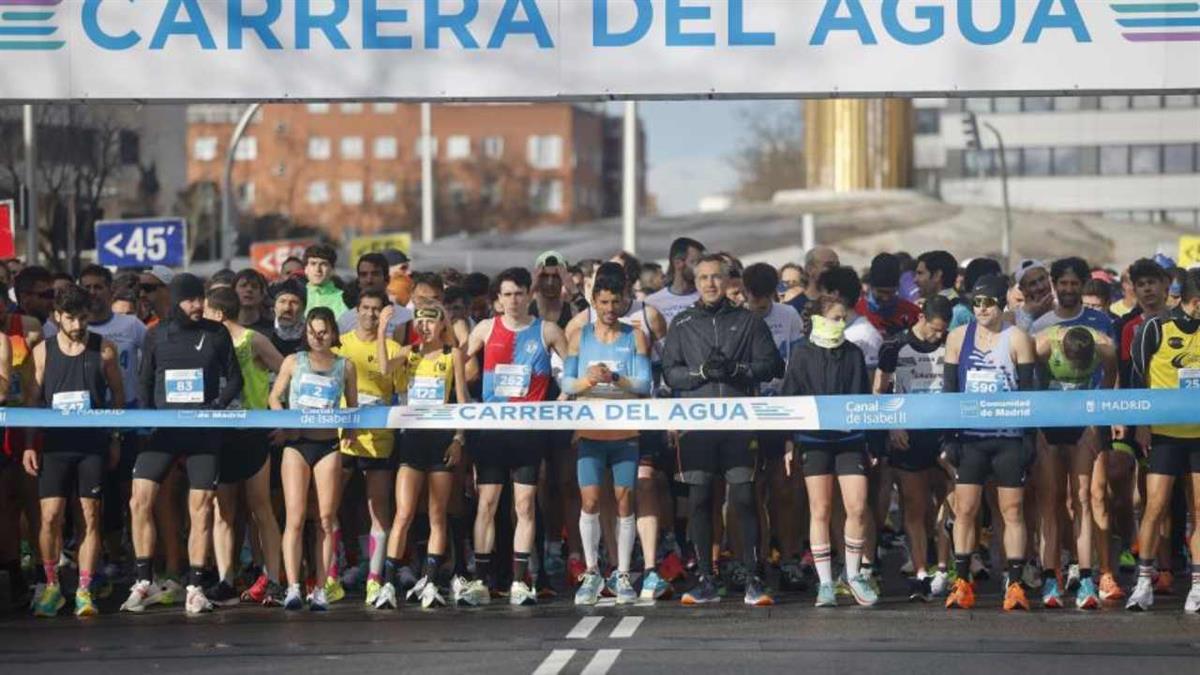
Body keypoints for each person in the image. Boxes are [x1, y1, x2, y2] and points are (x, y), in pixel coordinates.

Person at [662, 254, 784, 606]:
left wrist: (737, 370)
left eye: (716, 277)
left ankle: (753, 577)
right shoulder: (683, 322)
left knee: (744, 499)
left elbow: (772, 366)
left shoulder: (747, 320)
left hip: (739, 423)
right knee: (700, 500)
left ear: (728, 281)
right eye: (703, 278)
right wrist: (700, 373)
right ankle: (705, 578)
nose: (710, 284)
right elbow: (670, 372)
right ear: (695, 282)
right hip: (697, 426)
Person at [122, 274, 243, 615]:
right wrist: (147, 423)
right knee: (138, 500)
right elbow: (144, 383)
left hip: (203, 431)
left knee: (201, 507)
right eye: (191, 300)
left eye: (201, 298)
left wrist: (216, 408)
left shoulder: (216, 333)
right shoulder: (155, 334)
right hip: (164, 431)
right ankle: (144, 581)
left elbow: (235, 379)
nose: (198, 305)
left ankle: (194, 586)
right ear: (176, 302)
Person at [461, 268, 569, 606]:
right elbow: (455, 359)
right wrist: (466, 404)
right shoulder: (485, 328)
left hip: (529, 432)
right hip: (492, 431)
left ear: (528, 294)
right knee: (487, 504)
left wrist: (559, 403)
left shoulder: (547, 330)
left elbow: (574, 370)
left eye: (519, 293)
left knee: (524, 506)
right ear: (497, 299)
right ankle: (480, 580)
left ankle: (522, 582)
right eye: (506, 294)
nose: (513, 300)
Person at [24, 284, 123, 617]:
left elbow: (119, 399)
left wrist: (114, 439)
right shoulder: (42, 351)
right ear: (57, 317)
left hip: (91, 445)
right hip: (55, 445)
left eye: (83, 318)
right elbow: (31, 402)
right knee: (50, 516)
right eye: (71, 318)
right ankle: (52, 585)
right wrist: (28, 445)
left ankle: (83, 588)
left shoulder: (104, 350)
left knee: (89, 517)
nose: (79, 325)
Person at [942, 274, 1037, 611]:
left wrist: (1028, 439)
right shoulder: (957, 337)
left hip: (1008, 437)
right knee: (965, 509)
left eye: (989, 302)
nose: (982, 309)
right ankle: (962, 580)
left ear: (1002, 304)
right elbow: (949, 391)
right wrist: (948, 437)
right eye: (977, 303)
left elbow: (1029, 393)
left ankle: (1014, 583)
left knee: (1012, 511)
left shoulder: (1018, 339)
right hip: (971, 437)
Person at [562, 264, 653, 606]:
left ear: (625, 300)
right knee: (589, 501)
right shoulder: (578, 336)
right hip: (590, 431)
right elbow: (566, 384)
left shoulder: (635, 336)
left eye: (616, 302)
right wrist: (588, 381)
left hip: (625, 431)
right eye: (604, 303)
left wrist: (615, 378)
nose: (610, 309)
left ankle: (624, 572)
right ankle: (591, 571)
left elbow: (645, 384)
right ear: (593, 302)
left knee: (625, 499)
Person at [783, 294, 879, 607]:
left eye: (844, 318)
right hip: (813, 440)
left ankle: (854, 576)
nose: (841, 323)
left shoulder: (852, 352)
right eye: (836, 318)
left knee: (857, 506)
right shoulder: (800, 353)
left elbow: (865, 398)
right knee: (820, 509)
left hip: (850, 440)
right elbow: (789, 398)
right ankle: (825, 583)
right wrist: (788, 441)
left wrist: (872, 442)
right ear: (820, 319)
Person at [376, 304, 470, 609]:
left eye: (431, 322)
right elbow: (383, 368)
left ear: (442, 325)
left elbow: (461, 400)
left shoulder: (450, 354)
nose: (425, 327)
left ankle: (430, 580)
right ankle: (386, 582)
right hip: (413, 440)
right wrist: (381, 331)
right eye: (420, 322)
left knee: (437, 514)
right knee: (403, 513)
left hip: (441, 439)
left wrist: (458, 438)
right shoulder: (409, 351)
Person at [201, 288, 286, 607]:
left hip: (253, 430)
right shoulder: (209, 341)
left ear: (219, 314)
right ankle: (225, 578)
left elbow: (287, 371)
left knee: (260, 508)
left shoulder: (252, 340)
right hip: (220, 433)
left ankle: (275, 580)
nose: (201, 315)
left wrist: (282, 418)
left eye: (206, 311)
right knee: (223, 511)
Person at [269, 307, 358, 611]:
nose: (317, 338)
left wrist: (351, 432)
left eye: (323, 332)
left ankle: (320, 587)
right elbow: (274, 397)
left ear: (333, 333)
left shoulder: (345, 366)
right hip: (297, 445)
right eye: (311, 332)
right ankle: (294, 586)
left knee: (325, 519)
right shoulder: (294, 361)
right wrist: (283, 423)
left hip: (328, 445)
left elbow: (353, 406)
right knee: (294, 517)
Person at [1127, 268, 1200, 612]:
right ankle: (1144, 580)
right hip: (1165, 433)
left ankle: (1197, 586)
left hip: (1199, 434)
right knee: (1155, 507)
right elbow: (1137, 376)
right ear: (1194, 301)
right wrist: (1141, 423)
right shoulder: (1155, 327)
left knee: (1199, 510)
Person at [875, 295, 955, 602]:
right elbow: (879, 390)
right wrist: (892, 425)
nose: (938, 336)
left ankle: (946, 569)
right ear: (921, 317)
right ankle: (921, 573)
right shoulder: (894, 346)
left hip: (943, 436)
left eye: (943, 331)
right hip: (908, 436)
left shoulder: (950, 346)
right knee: (914, 508)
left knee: (949, 507)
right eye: (935, 329)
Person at [335, 290, 403, 608]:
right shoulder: (341, 344)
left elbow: (397, 385)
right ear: (356, 310)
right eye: (366, 308)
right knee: (327, 508)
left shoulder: (392, 348)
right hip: (344, 437)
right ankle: (330, 574)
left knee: (380, 508)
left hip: (379, 440)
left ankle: (375, 579)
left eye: (378, 310)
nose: (371, 315)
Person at [741, 263, 807, 591]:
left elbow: (797, 365)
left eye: (767, 301)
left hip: (783, 412)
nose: (761, 306)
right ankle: (755, 557)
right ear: (745, 294)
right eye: (755, 301)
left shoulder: (789, 317)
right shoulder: (737, 317)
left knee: (786, 489)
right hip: (748, 416)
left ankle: (791, 557)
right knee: (751, 491)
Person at [337, 253, 412, 341]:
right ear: (359, 282)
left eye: (375, 274)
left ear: (387, 279)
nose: (369, 280)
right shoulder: (346, 320)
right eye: (364, 275)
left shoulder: (406, 317)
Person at [857, 253, 921, 336]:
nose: (886, 298)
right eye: (881, 292)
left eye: (891, 292)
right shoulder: (856, 313)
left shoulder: (913, 313)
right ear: (871, 287)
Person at [645, 237, 705, 325]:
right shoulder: (652, 302)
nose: (702, 269)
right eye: (697, 263)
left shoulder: (706, 299)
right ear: (678, 263)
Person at [915, 250, 973, 330]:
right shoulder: (923, 306)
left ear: (937, 275)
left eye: (920, 273)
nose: (915, 279)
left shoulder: (959, 312)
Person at [786, 246, 839, 317]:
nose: (836, 270)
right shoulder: (792, 309)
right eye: (829, 266)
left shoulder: (844, 304)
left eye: (837, 266)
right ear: (810, 269)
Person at [303, 244, 348, 316]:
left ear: (332, 270)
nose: (318, 269)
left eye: (323, 264)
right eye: (313, 264)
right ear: (305, 269)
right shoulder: (297, 296)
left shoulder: (344, 298)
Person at [268, 278, 307, 356]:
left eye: (294, 303)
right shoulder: (263, 333)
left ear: (303, 308)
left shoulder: (309, 336)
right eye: (282, 301)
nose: (287, 308)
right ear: (274, 306)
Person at [233, 269, 274, 336]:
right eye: (243, 285)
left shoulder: (273, 330)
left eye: (254, 286)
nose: (249, 289)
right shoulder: (225, 329)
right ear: (233, 291)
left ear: (262, 294)